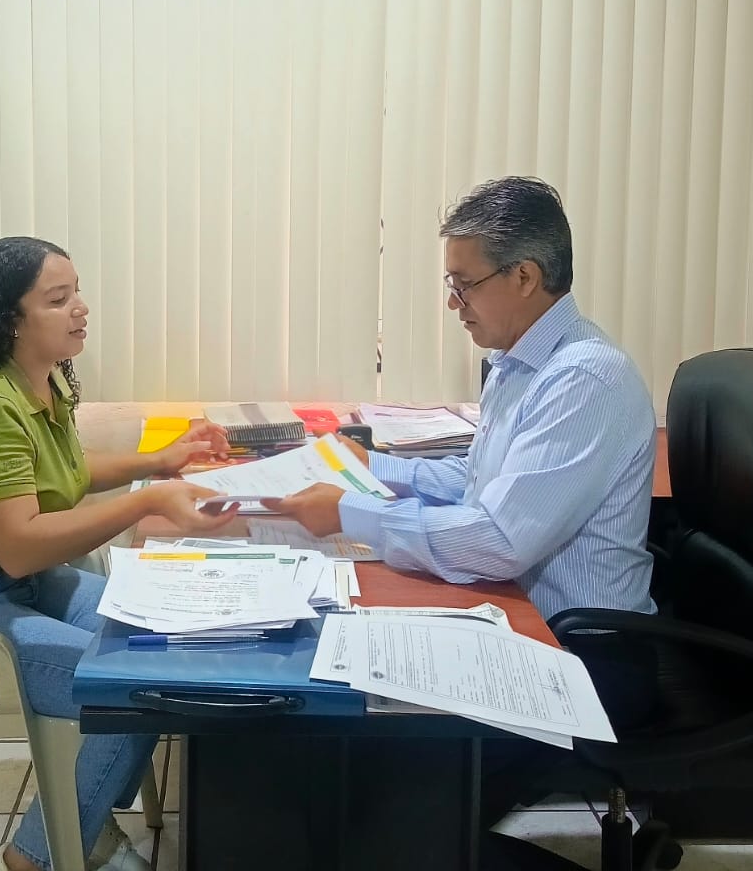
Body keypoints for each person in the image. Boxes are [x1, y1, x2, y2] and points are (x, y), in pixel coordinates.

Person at [266, 177, 659, 845]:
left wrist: (349, 515)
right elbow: (477, 482)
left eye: (464, 284)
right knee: (355, 752)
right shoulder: (519, 363)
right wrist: (367, 468)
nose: (453, 303)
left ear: (525, 277)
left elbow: (500, 538)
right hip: (520, 624)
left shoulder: (584, 379)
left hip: (582, 654)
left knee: (394, 813)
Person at [0, 236, 239, 871]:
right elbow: (19, 547)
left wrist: (159, 461)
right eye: (58, 299)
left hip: (9, 590)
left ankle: (84, 822)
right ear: (11, 319)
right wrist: (147, 503)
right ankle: (36, 856)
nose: (80, 309)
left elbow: (63, 472)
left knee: (166, 638)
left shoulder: (38, 384)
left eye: (78, 294)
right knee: (137, 684)